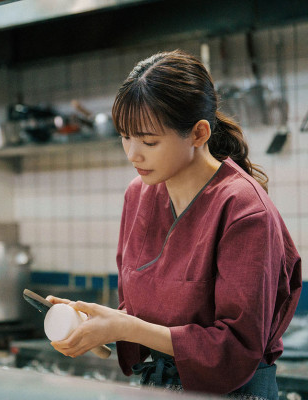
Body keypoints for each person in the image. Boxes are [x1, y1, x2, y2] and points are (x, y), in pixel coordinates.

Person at [47, 50, 302, 398]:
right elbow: (144, 309)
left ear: (198, 133)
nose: (132, 154)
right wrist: (96, 323)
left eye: (149, 141)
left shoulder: (244, 209)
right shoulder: (138, 195)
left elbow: (237, 346)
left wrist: (127, 327)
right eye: (125, 136)